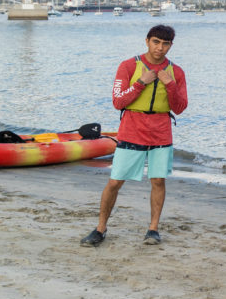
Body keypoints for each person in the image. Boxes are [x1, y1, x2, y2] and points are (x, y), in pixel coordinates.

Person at [81, 25, 188, 247]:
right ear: (147, 41)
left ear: (171, 46)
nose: (160, 48)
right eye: (156, 42)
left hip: (161, 132)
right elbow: (118, 101)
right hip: (132, 129)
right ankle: (100, 228)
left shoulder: (176, 72)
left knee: (158, 180)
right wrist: (141, 83)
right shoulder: (129, 66)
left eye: (165, 43)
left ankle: (153, 229)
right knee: (115, 181)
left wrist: (169, 85)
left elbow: (179, 107)